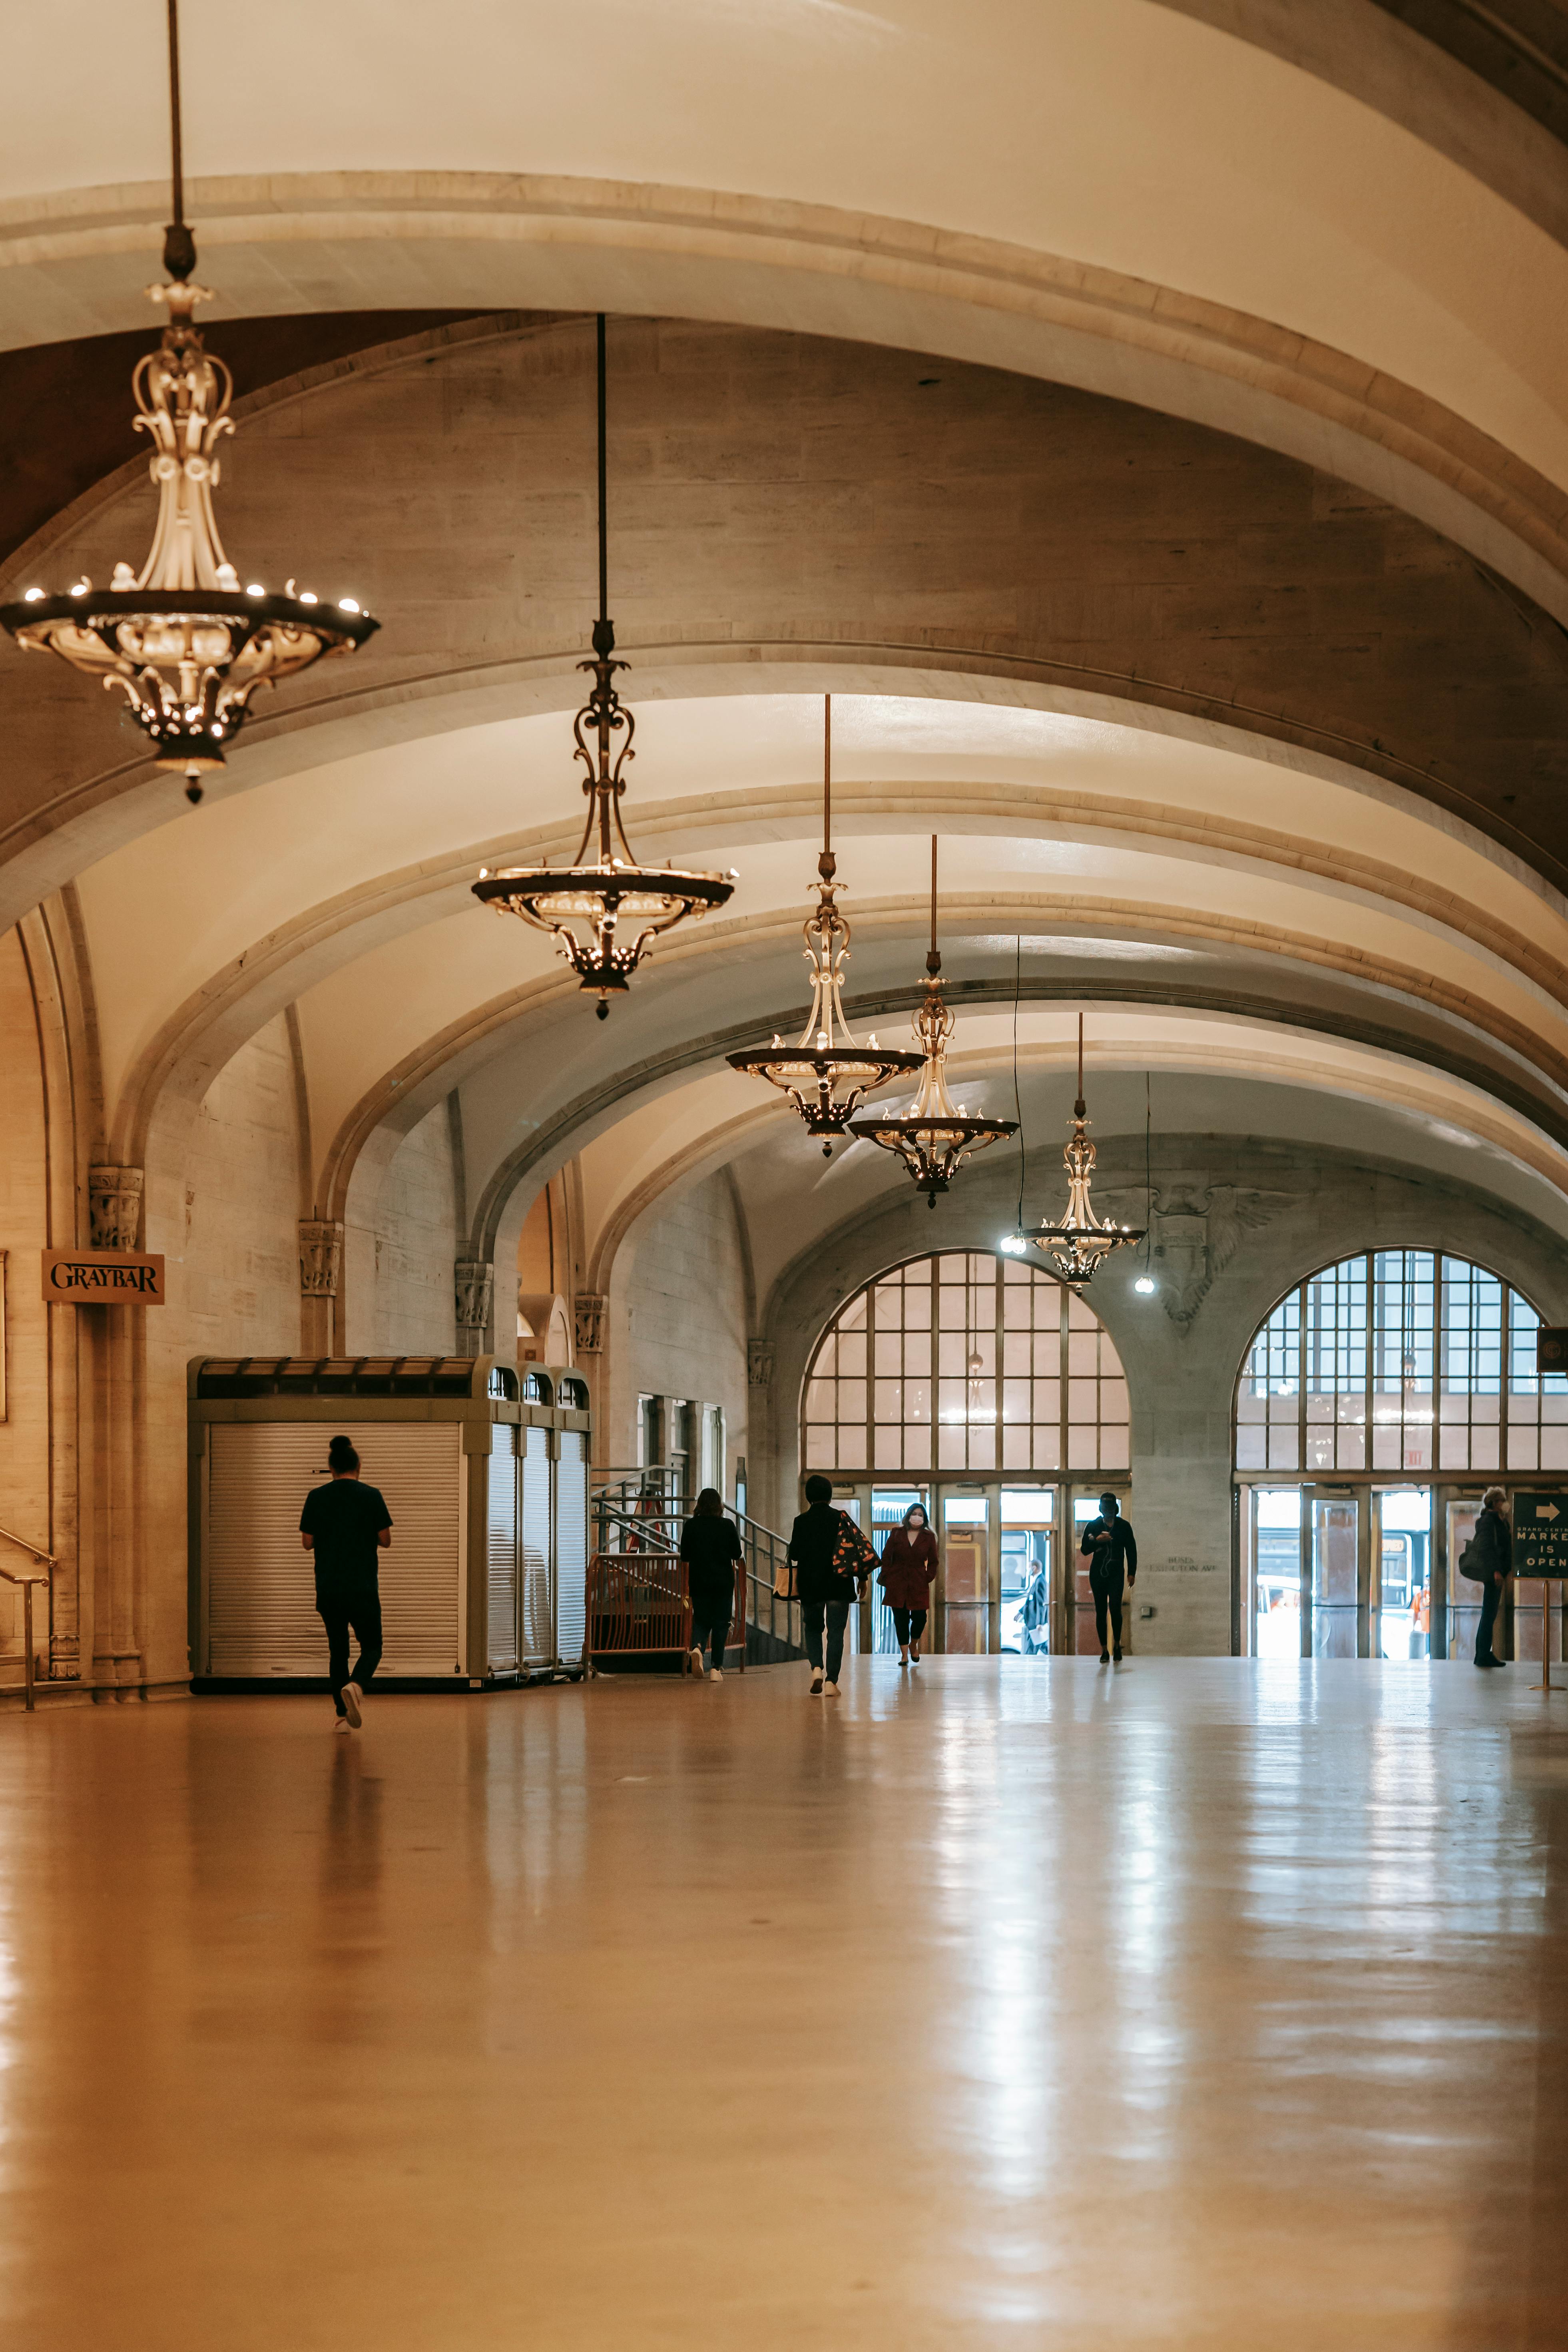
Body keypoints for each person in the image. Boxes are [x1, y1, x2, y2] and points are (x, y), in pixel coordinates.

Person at [300, 1434, 392, 1731]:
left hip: (329, 1587)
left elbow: (307, 1542)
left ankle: (342, 1707)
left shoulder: (316, 1497)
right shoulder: (371, 1495)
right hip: (362, 1587)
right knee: (372, 1647)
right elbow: (386, 1540)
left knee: (338, 1651)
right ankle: (357, 1685)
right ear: (358, 1466)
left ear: (331, 1468)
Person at [787, 1473, 870, 1696]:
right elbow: (857, 1550)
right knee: (836, 1633)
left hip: (811, 1585)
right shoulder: (841, 1518)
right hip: (838, 1585)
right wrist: (863, 1578)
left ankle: (816, 1669)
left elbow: (794, 1554)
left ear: (808, 1496)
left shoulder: (801, 1521)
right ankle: (832, 1682)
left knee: (813, 1628)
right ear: (830, 1496)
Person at [679, 1487, 742, 1680]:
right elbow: (737, 1554)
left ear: (699, 1505)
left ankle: (697, 1648)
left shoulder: (691, 1526)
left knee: (701, 1619)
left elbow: (685, 1556)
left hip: (699, 1579)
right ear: (719, 1505)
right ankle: (716, 1668)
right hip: (723, 1581)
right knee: (721, 1623)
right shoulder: (727, 1525)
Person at [1079, 1492, 1137, 1664]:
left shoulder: (1124, 1526)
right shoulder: (1094, 1525)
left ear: (1116, 1509)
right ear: (1101, 1509)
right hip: (1098, 1573)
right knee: (1101, 1611)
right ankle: (1104, 1650)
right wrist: (1098, 1541)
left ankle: (1117, 1646)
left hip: (1116, 1571)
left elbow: (1131, 1550)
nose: (1108, 1512)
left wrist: (1131, 1572)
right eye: (1105, 1509)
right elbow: (1084, 1550)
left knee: (1115, 1609)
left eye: (1111, 1509)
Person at [877, 1502, 938, 1666]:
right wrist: (889, 1575)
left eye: (920, 1515)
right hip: (898, 1582)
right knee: (901, 1619)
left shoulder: (928, 1537)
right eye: (914, 1514)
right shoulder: (897, 1533)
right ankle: (904, 1656)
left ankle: (914, 1644)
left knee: (920, 1618)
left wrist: (927, 1577)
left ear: (924, 1519)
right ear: (908, 1515)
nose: (917, 1517)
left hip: (919, 1582)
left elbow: (934, 1562)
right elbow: (886, 1556)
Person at [1472, 1487, 1512, 1668]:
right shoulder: (1489, 1521)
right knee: (1489, 1614)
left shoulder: (1500, 1521)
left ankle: (1483, 1654)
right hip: (1493, 1575)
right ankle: (1483, 1655)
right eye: (1502, 1501)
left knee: (1489, 1614)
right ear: (1494, 1503)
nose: (1505, 1504)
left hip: (1498, 1573)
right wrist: (1496, 1570)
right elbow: (1486, 1547)